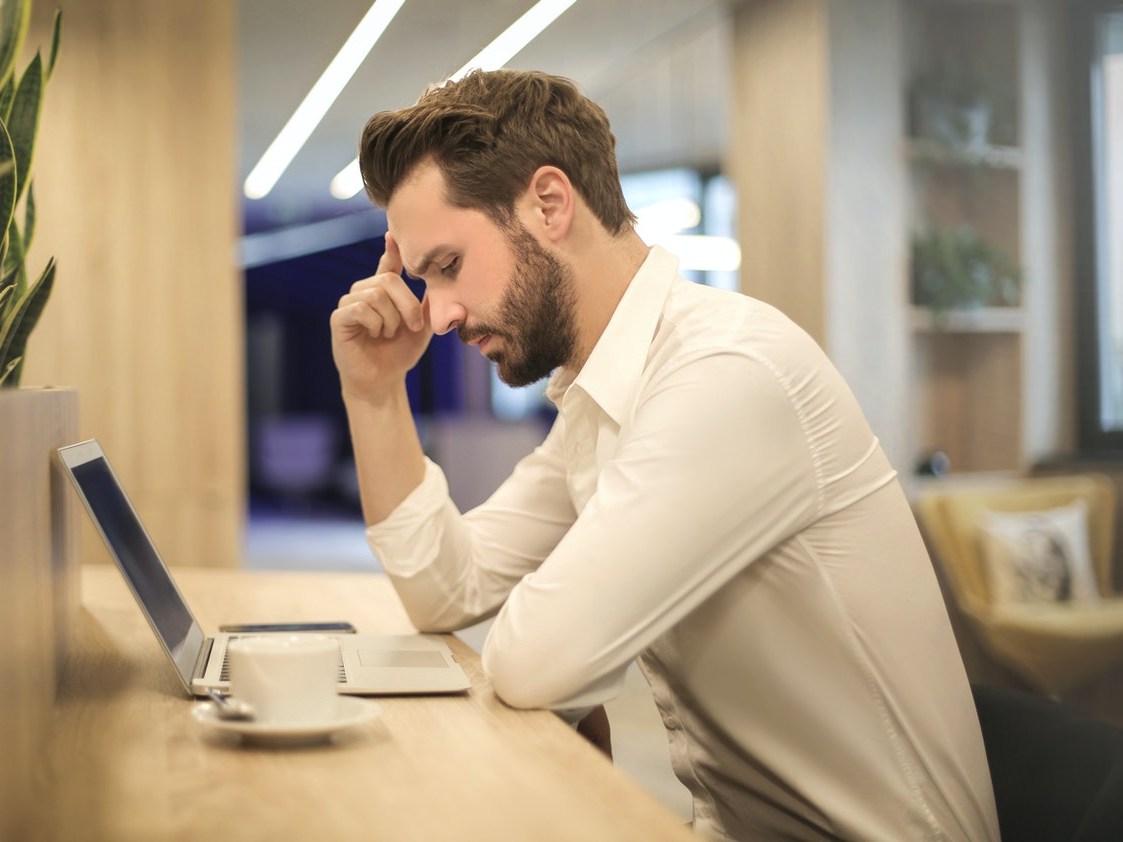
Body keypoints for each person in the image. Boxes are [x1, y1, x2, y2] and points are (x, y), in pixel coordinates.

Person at [330, 69, 999, 841]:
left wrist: (564, 649)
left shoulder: (725, 374)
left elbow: (534, 662)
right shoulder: (603, 393)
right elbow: (446, 590)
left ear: (549, 204)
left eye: (447, 266)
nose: (437, 313)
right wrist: (375, 396)